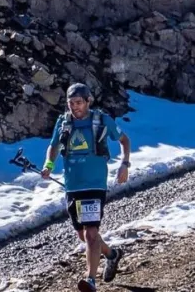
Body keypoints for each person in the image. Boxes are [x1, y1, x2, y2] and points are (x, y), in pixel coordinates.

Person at [41, 83, 132, 292]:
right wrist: (48, 165)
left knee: (91, 233)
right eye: (71, 103)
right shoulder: (63, 122)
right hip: (73, 185)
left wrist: (125, 165)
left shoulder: (101, 120)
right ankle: (111, 254)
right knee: (84, 235)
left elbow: (124, 140)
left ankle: (90, 280)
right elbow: (54, 146)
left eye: (79, 103)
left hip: (95, 184)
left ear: (88, 101)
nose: (75, 107)